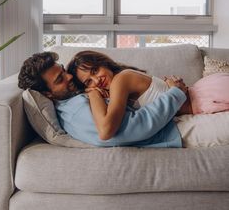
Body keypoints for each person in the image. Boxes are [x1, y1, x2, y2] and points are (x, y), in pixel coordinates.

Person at [18, 51, 188, 148]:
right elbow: (128, 128)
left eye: (63, 71)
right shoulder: (77, 110)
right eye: (59, 80)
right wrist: (175, 93)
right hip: (176, 130)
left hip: (178, 119)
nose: (69, 77)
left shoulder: (75, 100)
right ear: (48, 94)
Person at [68, 50, 229, 141]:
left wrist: (93, 94)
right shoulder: (118, 83)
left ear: (103, 63)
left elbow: (106, 131)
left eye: (95, 71)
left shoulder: (120, 80)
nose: (97, 80)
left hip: (205, 96)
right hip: (202, 96)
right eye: (88, 82)